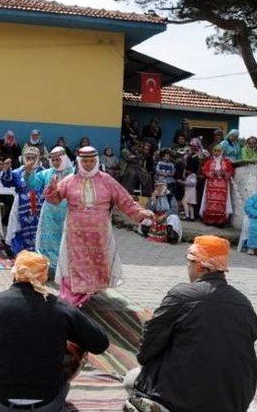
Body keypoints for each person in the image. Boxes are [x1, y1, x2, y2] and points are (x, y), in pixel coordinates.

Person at [0, 250, 109, 412]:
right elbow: (100, 343)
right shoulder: (62, 308)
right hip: (48, 405)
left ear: (15, 273)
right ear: (44, 277)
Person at [124, 236, 257, 412]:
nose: (188, 267)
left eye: (189, 262)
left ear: (199, 265)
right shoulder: (244, 303)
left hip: (180, 401)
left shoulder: (181, 296)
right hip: (234, 402)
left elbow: (145, 353)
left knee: (130, 380)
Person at [44, 146, 154, 307]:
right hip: (75, 232)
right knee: (77, 261)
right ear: (79, 162)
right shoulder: (69, 180)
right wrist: (52, 188)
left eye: (91, 161)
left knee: (96, 262)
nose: (88, 164)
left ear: (96, 161)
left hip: (99, 232)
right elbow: (54, 199)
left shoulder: (107, 180)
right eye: (85, 161)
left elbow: (124, 200)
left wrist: (141, 212)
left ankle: (90, 289)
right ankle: (77, 293)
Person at [25, 146, 74, 278]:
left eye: (59, 159)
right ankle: (49, 270)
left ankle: (65, 272)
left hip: (69, 213)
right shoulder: (47, 173)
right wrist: (29, 172)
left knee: (66, 241)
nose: (56, 162)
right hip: (49, 215)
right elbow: (33, 185)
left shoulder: (75, 174)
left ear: (65, 158)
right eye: (54, 160)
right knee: (47, 241)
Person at [2, 147, 45, 253]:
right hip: (21, 206)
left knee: (39, 230)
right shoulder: (19, 171)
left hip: (39, 207)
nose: (30, 160)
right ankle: (19, 253)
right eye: (28, 157)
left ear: (38, 158)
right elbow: (7, 182)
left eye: (33, 158)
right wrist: (7, 169)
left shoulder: (43, 172)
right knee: (17, 229)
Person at [200, 144, 234, 226]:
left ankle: (220, 221)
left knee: (221, 202)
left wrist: (224, 173)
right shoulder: (209, 162)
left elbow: (231, 171)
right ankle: (209, 220)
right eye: (215, 150)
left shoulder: (227, 162)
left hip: (223, 185)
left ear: (222, 152)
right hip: (211, 184)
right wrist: (212, 173)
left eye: (218, 151)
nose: (216, 153)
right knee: (210, 201)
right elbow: (204, 170)